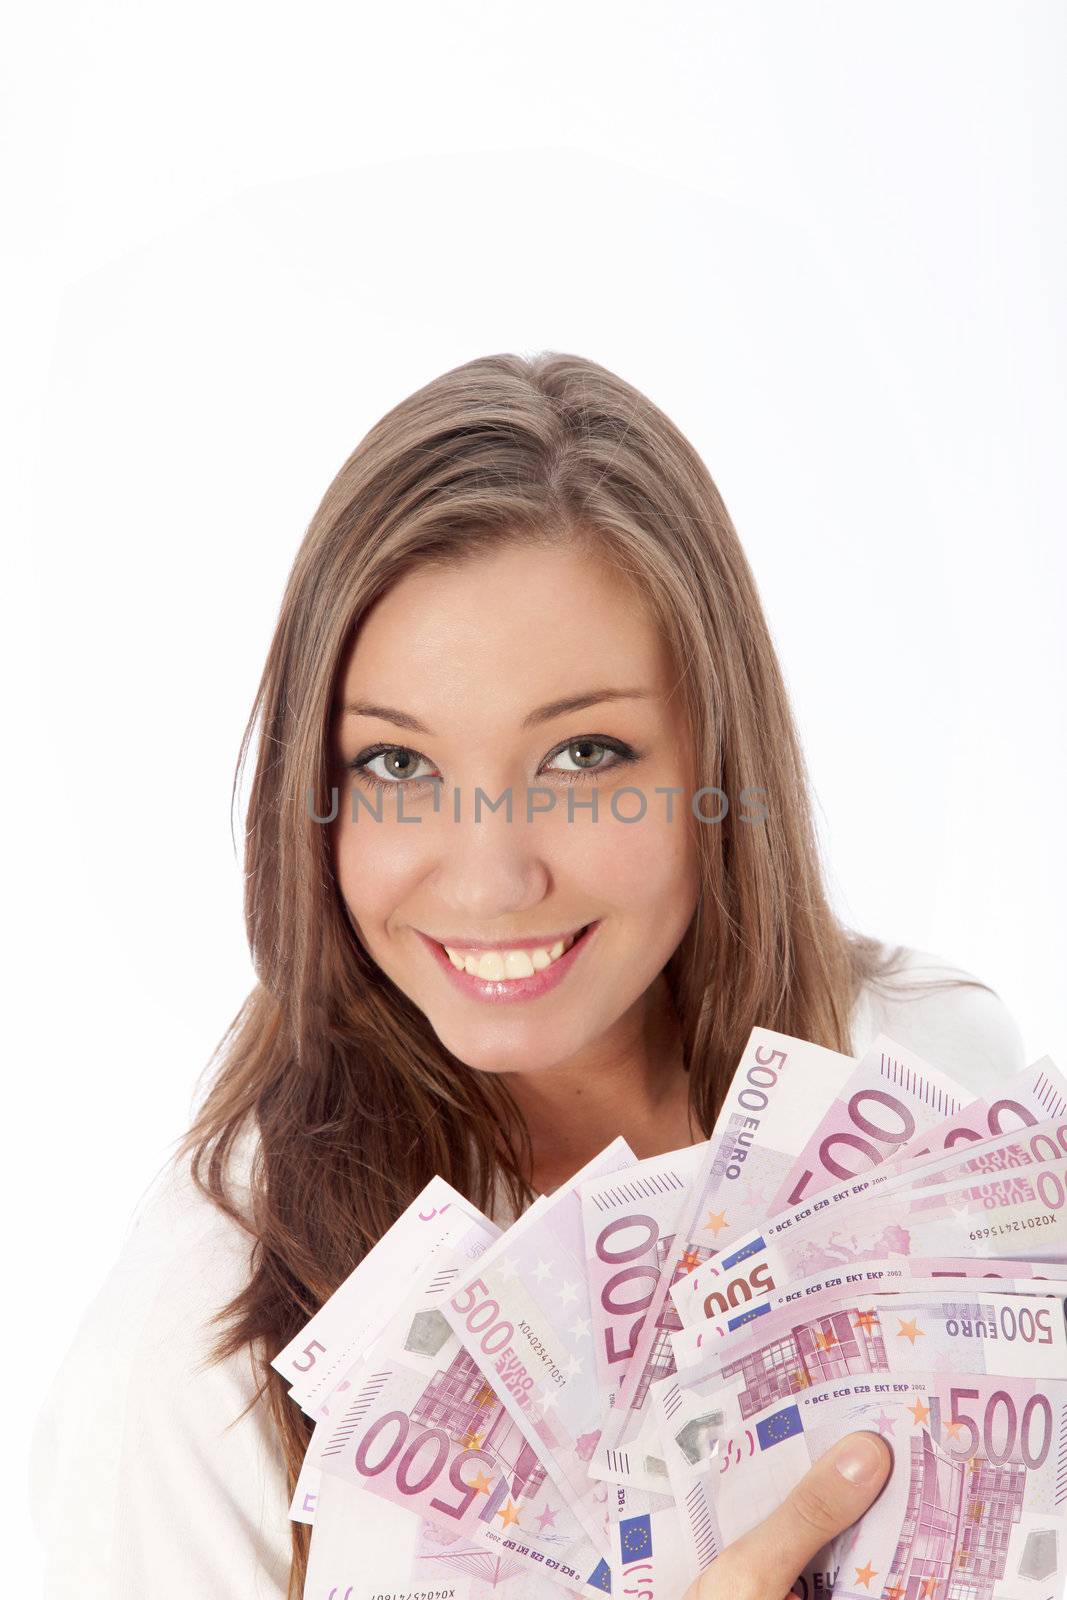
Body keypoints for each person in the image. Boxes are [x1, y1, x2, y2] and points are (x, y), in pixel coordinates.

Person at [29, 352, 1025, 1598]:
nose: (490, 877)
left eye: (584, 753)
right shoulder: (203, 1341)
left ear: (716, 753)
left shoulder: (933, 1071)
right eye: (397, 765)